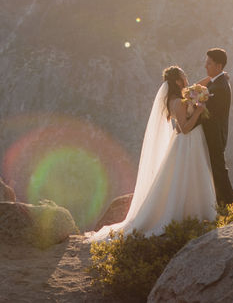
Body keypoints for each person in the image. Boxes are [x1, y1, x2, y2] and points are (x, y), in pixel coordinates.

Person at [85, 66, 216, 242]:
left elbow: (192, 89)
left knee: (186, 177)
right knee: (184, 178)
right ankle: (185, 216)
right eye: (184, 76)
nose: (187, 79)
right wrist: (198, 111)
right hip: (187, 143)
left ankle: (193, 214)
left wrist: (209, 80)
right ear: (178, 81)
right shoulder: (177, 101)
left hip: (190, 144)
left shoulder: (178, 97)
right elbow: (184, 128)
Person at [197, 47, 233, 206]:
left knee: (219, 170)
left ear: (219, 66)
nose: (205, 66)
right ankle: (222, 203)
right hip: (212, 134)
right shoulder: (217, 83)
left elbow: (208, 113)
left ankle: (229, 205)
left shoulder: (219, 87)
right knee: (215, 170)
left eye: (209, 63)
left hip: (214, 135)